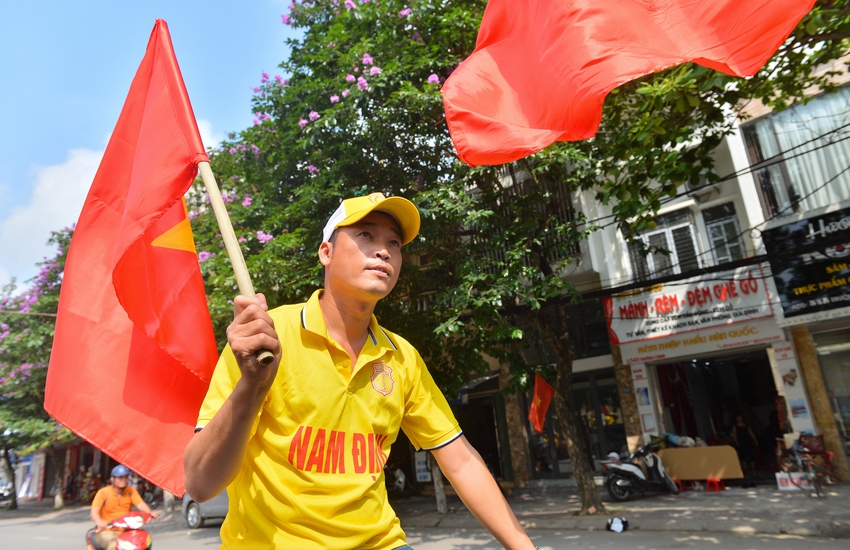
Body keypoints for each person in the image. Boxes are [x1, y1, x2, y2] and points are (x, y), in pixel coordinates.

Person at [184, 193, 539, 549]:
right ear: (326, 252)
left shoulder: (402, 357)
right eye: (366, 235)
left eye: (394, 242)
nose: (384, 251)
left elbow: (460, 460)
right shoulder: (263, 338)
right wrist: (252, 386)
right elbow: (200, 484)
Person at [90, 464, 159, 550]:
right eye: (120, 478)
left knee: (144, 542)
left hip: (128, 531)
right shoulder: (103, 492)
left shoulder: (131, 491)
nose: (123, 480)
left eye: (125, 477)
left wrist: (149, 513)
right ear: (112, 479)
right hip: (107, 531)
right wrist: (99, 522)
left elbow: (140, 504)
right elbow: (94, 511)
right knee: (113, 546)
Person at [731, 414, 758, 487]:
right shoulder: (735, 426)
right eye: (738, 418)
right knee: (743, 456)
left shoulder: (746, 425)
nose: (739, 419)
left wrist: (755, 440)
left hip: (748, 441)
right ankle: (745, 470)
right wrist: (737, 442)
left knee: (751, 454)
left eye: (740, 417)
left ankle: (753, 470)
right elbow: (735, 435)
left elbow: (750, 432)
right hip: (741, 442)